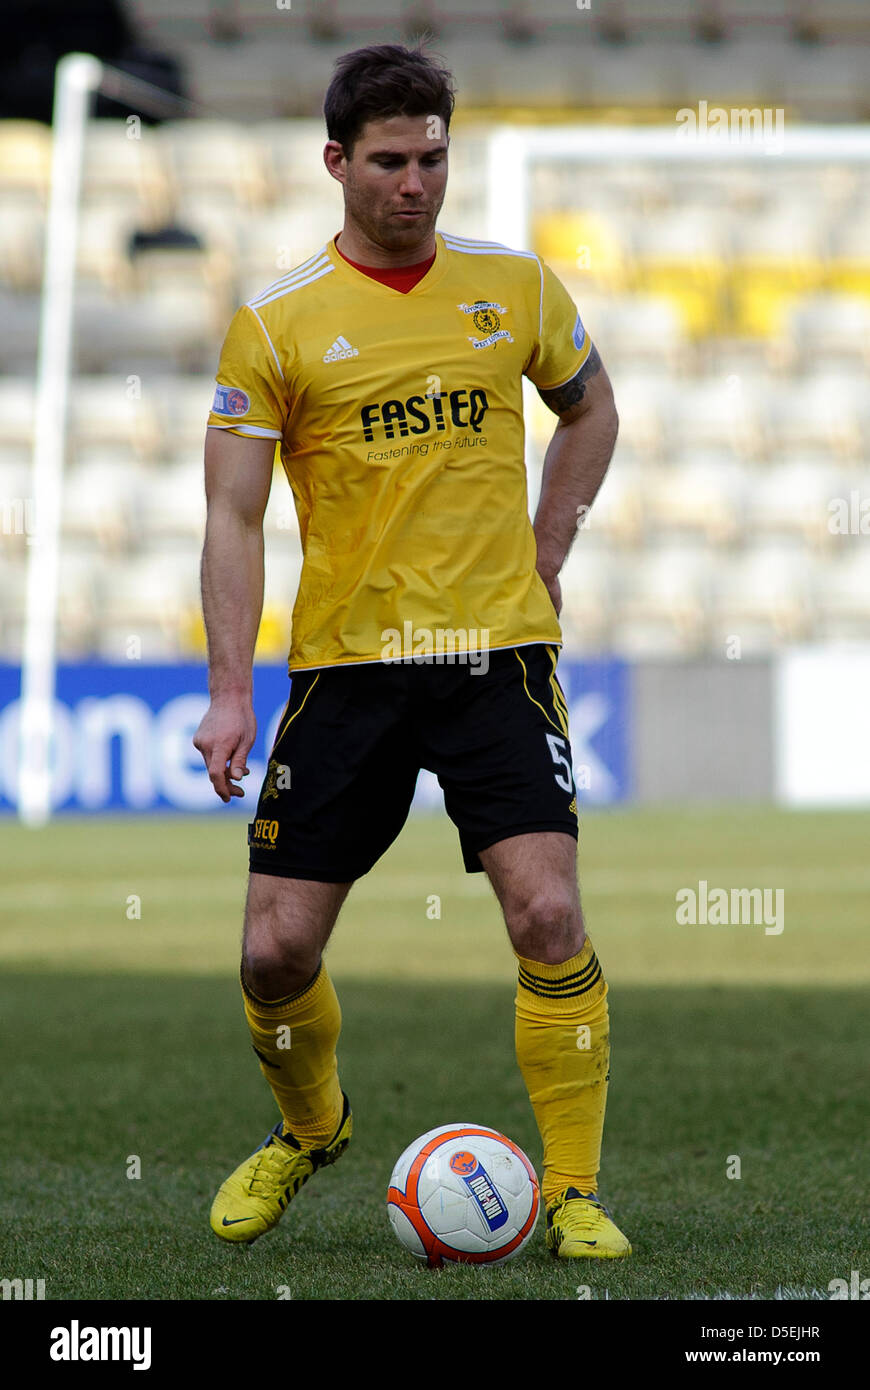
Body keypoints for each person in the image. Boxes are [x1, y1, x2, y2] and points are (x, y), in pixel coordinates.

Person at [193, 41, 629, 1261]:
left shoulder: (517, 286)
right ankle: (312, 1128)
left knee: (547, 913)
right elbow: (231, 513)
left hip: (497, 652)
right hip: (346, 668)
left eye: (433, 158)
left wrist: (552, 543)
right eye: (388, 161)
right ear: (336, 162)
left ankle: (576, 1189)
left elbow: (591, 406)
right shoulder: (277, 322)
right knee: (275, 951)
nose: (415, 184)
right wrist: (231, 691)